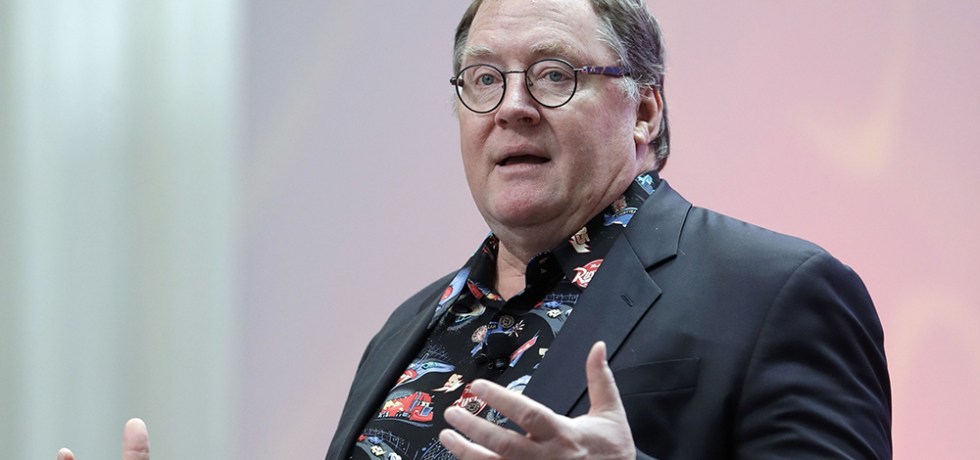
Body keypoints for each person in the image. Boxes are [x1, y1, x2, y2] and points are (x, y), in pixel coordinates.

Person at [60, 0, 891, 459]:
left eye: (555, 74)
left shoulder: (776, 294)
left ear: (645, 110)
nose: (512, 106)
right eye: (483, 79)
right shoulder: (408, 329)